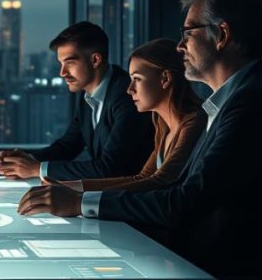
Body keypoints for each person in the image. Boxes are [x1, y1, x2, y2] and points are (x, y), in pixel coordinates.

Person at [17, 0, 262, 278]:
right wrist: (78, 194)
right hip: (221, 266)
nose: (180, 46)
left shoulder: (252, 106)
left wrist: (80, 202)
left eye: (188, 33)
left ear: (222, 36)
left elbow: (182, 203)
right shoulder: (235, 100)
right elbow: (167, 188)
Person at [0, 21, 153, 182]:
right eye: (61, 63)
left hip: (129, 197)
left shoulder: (128, 95)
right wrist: (25, 160)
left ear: (95, 60)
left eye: (69, 63)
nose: (62, 73)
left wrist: (37, 169)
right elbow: (68, 146)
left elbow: (110, 168)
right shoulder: (88, 95)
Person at [59, 38, 206, 193]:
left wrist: (79, 198)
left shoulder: (194, 122)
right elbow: (143, 177)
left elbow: (160, 181)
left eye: (137, 79)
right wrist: (71, 187)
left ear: (165, 79)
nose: (130, 89)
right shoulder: (161, 123)